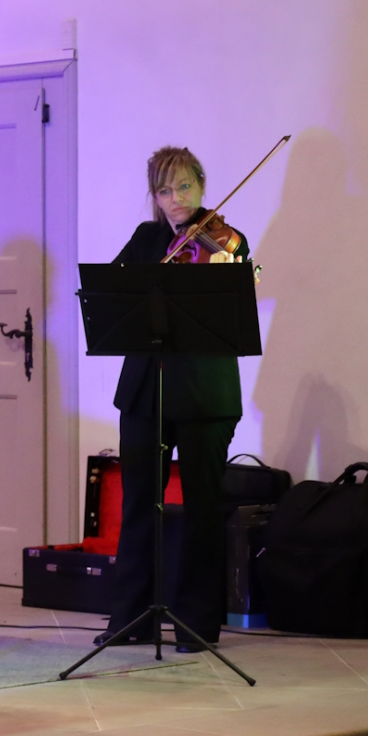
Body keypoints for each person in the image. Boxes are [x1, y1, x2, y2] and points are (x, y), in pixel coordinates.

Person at [101, 146, 250, 653]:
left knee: (203, 507)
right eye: (164, 190)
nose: (176, 199)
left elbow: (236, 304)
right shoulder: (147, 239)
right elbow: (115, 296)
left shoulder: (225, 240)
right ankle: (132, 617)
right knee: (140, 502)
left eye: (184, 186)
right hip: (146, 389)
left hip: (206, 393)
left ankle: (196, 623)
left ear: (201, 184)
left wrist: (232, 270)